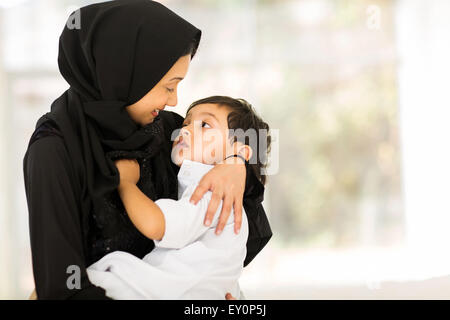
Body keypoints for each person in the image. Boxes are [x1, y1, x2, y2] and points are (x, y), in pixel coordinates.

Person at [23, 0, 272, 300]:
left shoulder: (162, 128)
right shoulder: (54, 151)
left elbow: (231, 151)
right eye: (168, 87)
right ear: (127, 72)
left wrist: (235, 164)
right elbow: (60, 290)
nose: (173, 101)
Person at [86, 96, 271, 299]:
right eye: (186, 123)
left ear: (238, 153)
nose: (185, 130)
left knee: (97, 277)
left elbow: (155, 224)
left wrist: (125, 184)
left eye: (205, 125)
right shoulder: (221, 203)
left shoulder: (212, 193)